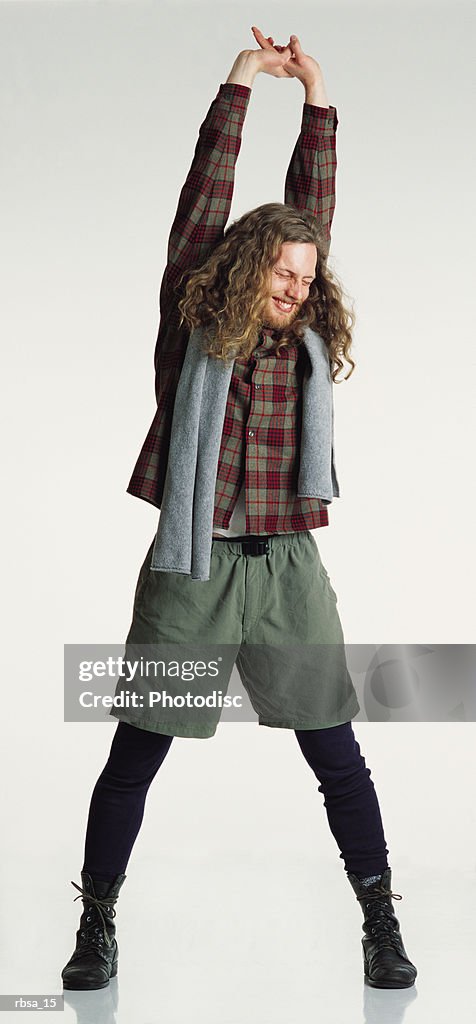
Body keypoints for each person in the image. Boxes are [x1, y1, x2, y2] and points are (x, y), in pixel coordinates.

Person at [61, 27, 418, 992]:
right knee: (136, 754)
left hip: (288, 568)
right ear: (247, 264)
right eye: (284, 273)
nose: (299, 289)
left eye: (309, 279)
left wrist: (321, 102)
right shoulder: (192, 320)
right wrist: (244, 83)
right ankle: (96, 922)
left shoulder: (301, 335)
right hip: (195, 563)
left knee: (337, 755)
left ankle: (380, 921)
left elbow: (317, 211)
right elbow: (202, 199)